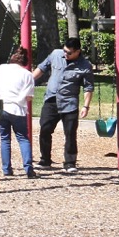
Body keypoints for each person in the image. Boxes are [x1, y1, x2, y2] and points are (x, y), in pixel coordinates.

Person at [32, 37, 94, 173]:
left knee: (70, 133)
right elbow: (41, 68)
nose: (65, 54)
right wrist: (28, 80)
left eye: (69, 53)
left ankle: (70, 163)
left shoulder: (85, 66)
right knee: (45, 129)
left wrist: (86, 106)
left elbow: (88, 87)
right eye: (64, 50)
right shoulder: (55, 54)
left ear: (78, 51)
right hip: (51, 99)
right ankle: (45, 160)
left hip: (69, 102)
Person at [0, 48, 38, 178]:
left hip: (1, 107)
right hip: (17, 109)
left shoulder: (1, 68)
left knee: (5, 138)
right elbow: (29, 97)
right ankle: (28, 168)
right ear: (24, 62)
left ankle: (6, 169)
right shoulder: (27, 75)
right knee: (23, 138)